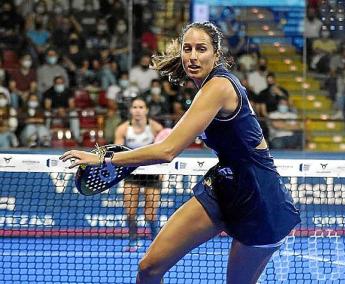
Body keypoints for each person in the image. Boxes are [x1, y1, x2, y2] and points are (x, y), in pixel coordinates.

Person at [60, 22, 300, 283]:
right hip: (224, 184)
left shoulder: (219, 87)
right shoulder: (205, 88)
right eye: (187, 49)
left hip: (261, 198)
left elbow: (167, 150)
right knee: (149, 267)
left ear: (216, 55)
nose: (193, 56)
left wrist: (104, 159)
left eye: (201, 49)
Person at [114, 96, 163, 252]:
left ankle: (156, 243)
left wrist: (163, 171)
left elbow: (164, 151)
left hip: (152, 174)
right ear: (130, 110)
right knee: (130, 211)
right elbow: (117, 153)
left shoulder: (156, 128)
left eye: (141, 107)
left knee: (150, 214)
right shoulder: (122, 129)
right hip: (131, 173)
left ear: (146, 110)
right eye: (135, 107)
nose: (138, 110)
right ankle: (133, 241)